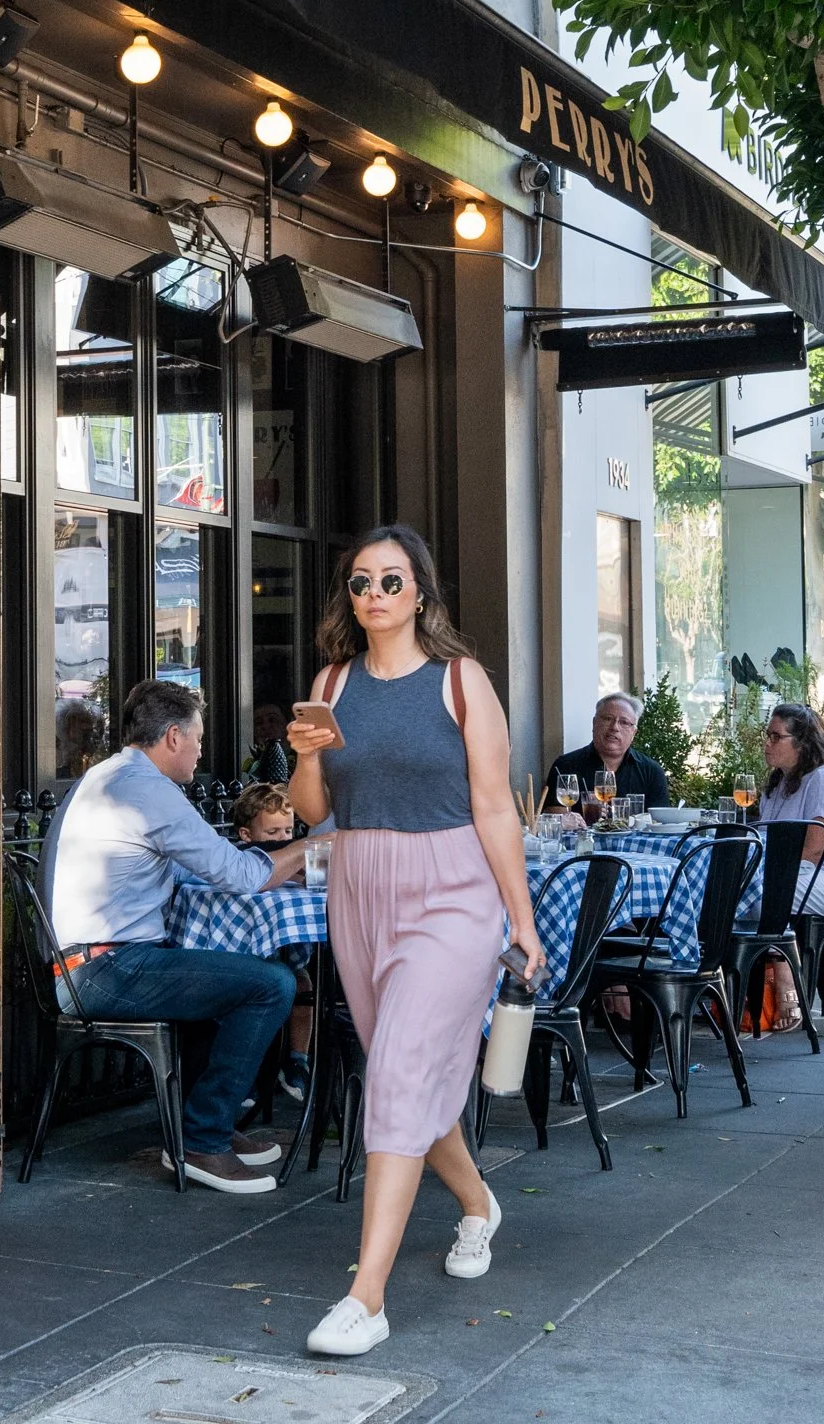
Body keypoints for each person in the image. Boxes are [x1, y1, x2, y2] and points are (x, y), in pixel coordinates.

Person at [285, 524, 545, 1359]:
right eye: (362, 583)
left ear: (421, 594)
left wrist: (524, 921)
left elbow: (496, 808)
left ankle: (366, 1297)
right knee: (411, 1073)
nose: (375, 596)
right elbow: (315, 812)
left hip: (452, 893)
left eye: (391, 582)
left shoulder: (461, 682)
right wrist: (302, 755)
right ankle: (478, 1203)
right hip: (359, 889)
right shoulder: (333, 681)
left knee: (397, 1070)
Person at [41, 679, 309, 1193]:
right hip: (102, 970)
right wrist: (312, 847)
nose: (201, 751)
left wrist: (270, 861)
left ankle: (206, 1126)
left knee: (222, 967)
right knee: (272, 984)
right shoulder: (149, 793)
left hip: (86, 961)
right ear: (172, 737)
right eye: (199, 740)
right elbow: (240, 876)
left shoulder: (110, 775)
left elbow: (191, 871)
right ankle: (202, 1142)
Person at [232, 783, 315, 1101]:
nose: (283, 840)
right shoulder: (245, 861)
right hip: (247, 947)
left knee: (302, 982)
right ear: (247, 835)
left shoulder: (298, 862)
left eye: (288, 831)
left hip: (285, 945)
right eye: (273, 832)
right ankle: (246, 1072)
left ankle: (298, 1061)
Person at [760, 702, 824, 945]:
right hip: (795, 873)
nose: (767, 743)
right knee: (732, 886)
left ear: (802, 743)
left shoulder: (823, 779)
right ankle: (756, 972)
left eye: (776, 736)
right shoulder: (779, 782)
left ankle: (783, 976)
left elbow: (815, 850)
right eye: (767, 735)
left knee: (760, 894)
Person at [556, 693, 672, 809]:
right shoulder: (565, 765)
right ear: (594, 723)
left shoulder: (651, 771)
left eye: (624, 722)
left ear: (633, 733)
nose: (614, 727)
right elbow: (551, 812)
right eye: (608, 719)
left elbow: (660, 820)